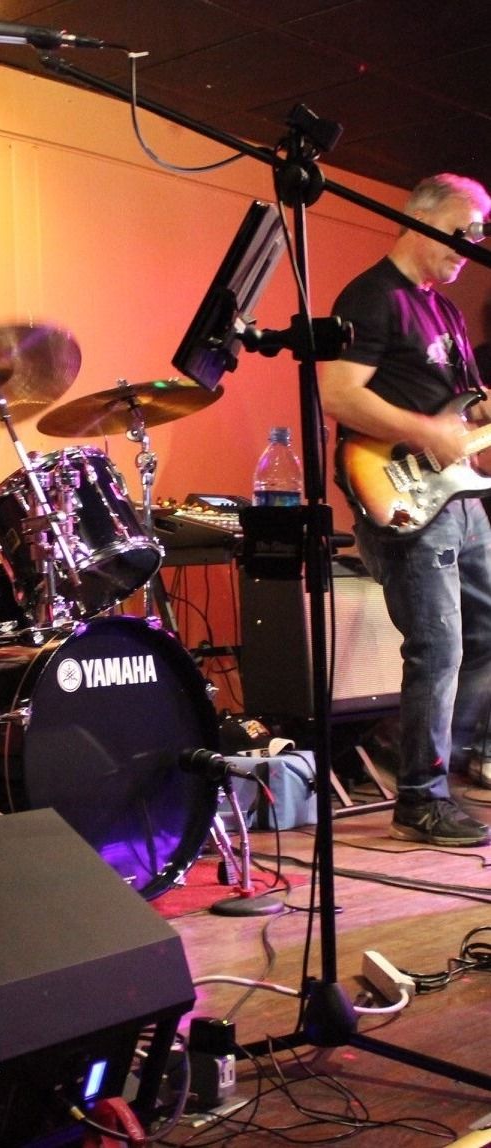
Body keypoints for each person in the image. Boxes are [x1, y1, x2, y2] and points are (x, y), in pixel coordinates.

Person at [319, 172, 491, 847]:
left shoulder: (444, 311)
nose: (472, 245)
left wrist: (468, 432)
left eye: (479, 234)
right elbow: (338, 393)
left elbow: (465, 414)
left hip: (459, 499)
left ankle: (431, 748)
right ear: (422, 217)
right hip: (403, 497)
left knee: (485, 633)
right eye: (464, 229)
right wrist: (426, 433)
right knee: (438, 648)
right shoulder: (373, 296)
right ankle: (420, 797)